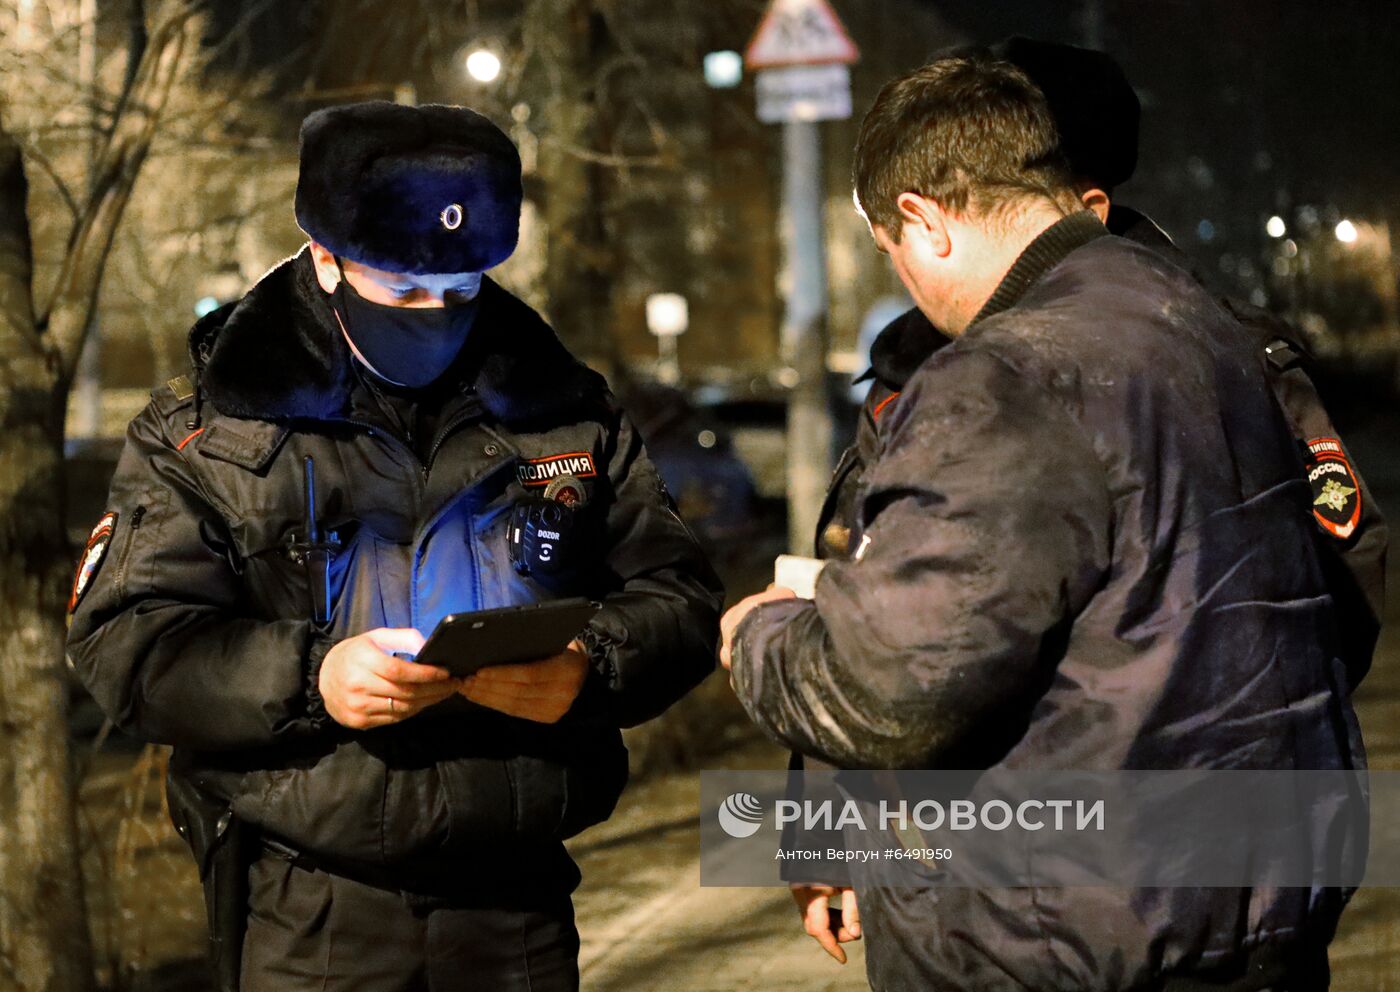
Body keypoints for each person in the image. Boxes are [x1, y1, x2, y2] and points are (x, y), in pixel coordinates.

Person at [721, 52, 1365, 991]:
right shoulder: (1210, 327)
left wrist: (758, 634)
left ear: (923, 220)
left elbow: (888, 687)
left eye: (888, 249)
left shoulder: (1000, 377)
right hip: (1249, 903)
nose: (899, 278)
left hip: (1055, 933)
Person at [66, 101, 724, 992]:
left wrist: (589, 665)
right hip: (309, 912)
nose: (437, 315)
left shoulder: (563, 409)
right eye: (404, 289)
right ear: (325, 257)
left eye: (461, 289)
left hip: (519, 904)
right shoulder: (206, 432)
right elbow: (126, 640)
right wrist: (314, 677)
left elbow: (678, 595)